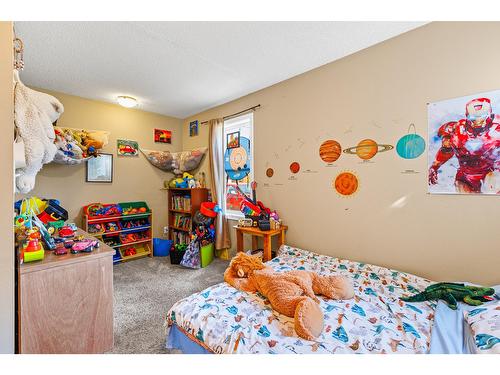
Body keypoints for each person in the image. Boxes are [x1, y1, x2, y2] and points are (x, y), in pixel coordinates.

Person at [429, 97, 500, 193]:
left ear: (489, 114)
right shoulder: (455, 130)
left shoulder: (497, 128)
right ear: (467, 116)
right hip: (466, 177)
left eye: (482, 117)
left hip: (492, 174)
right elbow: (446, 151)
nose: (478, 122)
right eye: (473, 118)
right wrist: (435, 166)